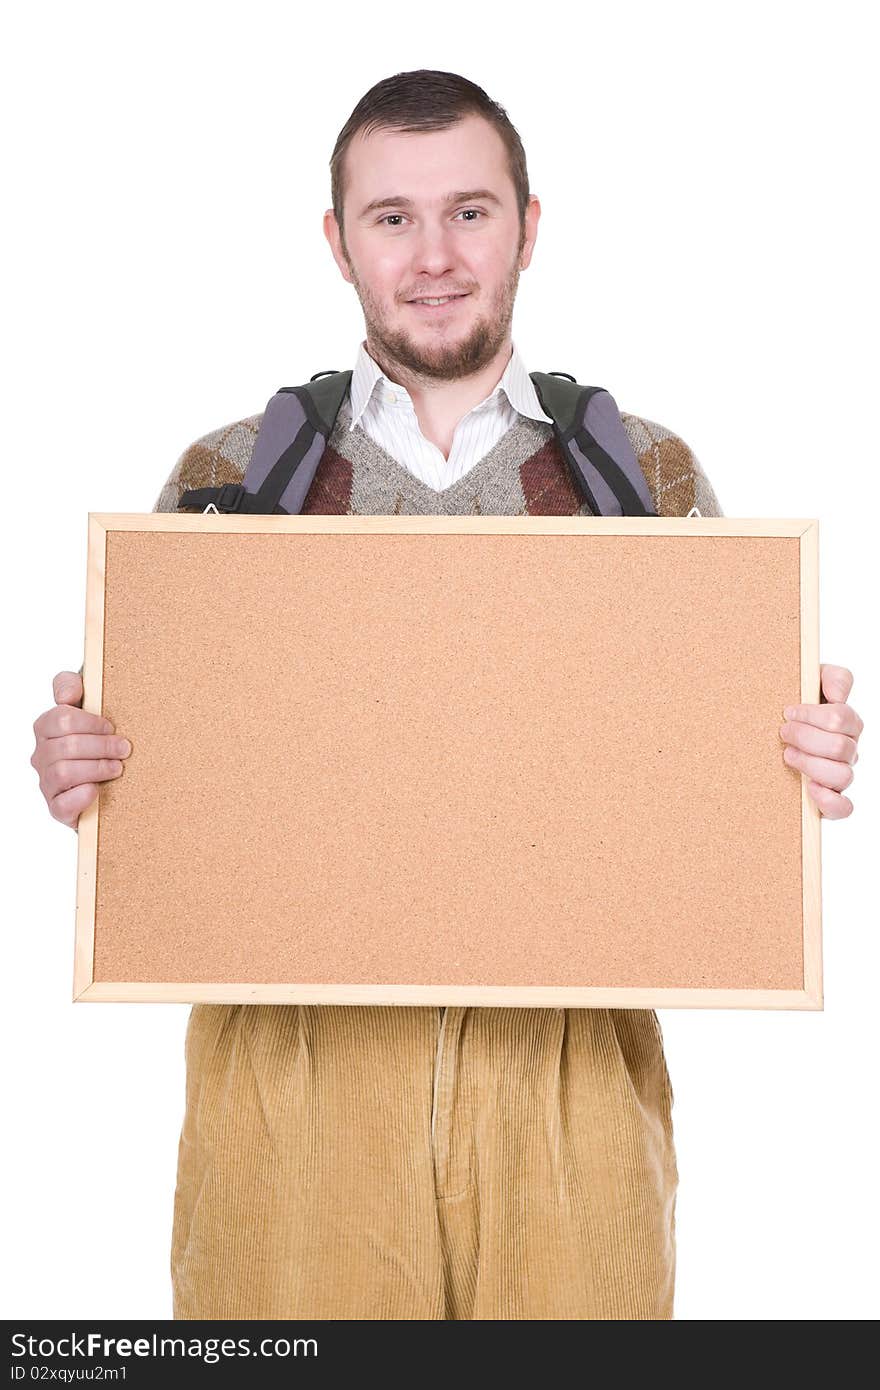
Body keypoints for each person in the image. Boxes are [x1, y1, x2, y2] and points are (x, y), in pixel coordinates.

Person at [30, 70, 864, 1321]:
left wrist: (788, 760)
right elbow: (176, 800)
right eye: (392, 218)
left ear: (529, 225)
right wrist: (94, 772)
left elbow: (698, 795)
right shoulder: (225, 481)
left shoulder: (645, 474)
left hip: (568, 1084)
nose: (433, 255)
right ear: (338, 241)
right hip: (293, 1085)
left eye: (470, 213)